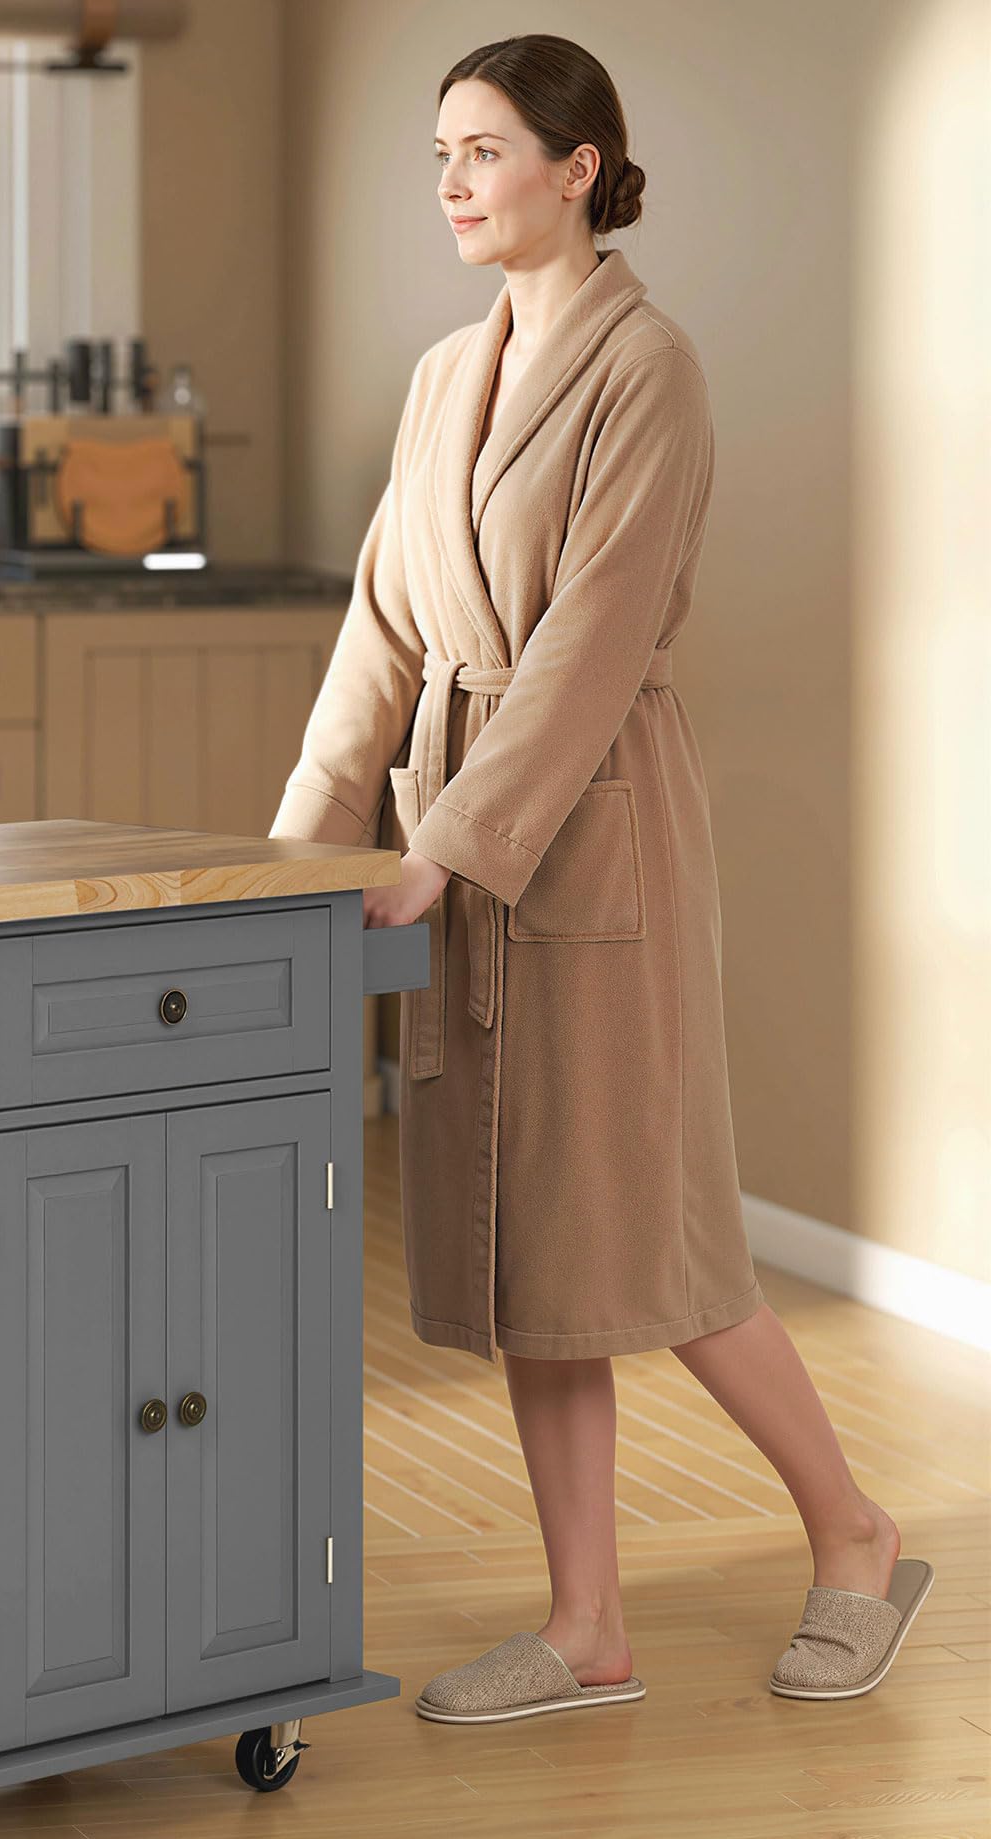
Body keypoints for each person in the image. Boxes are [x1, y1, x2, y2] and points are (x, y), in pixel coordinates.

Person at [270, 32, 929, 1722]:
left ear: (579, 166)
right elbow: (385, 633)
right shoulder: (443, 376)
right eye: (439, 155)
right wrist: (300, 847)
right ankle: (587, 1627)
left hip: (595, 822)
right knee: (526, 1240)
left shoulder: (653, 370)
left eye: (482, 152)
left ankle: (855, 1533)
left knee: (657, 1233)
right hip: (456, 825)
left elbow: (586, 644)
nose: (451, 184)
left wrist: (436, 858)